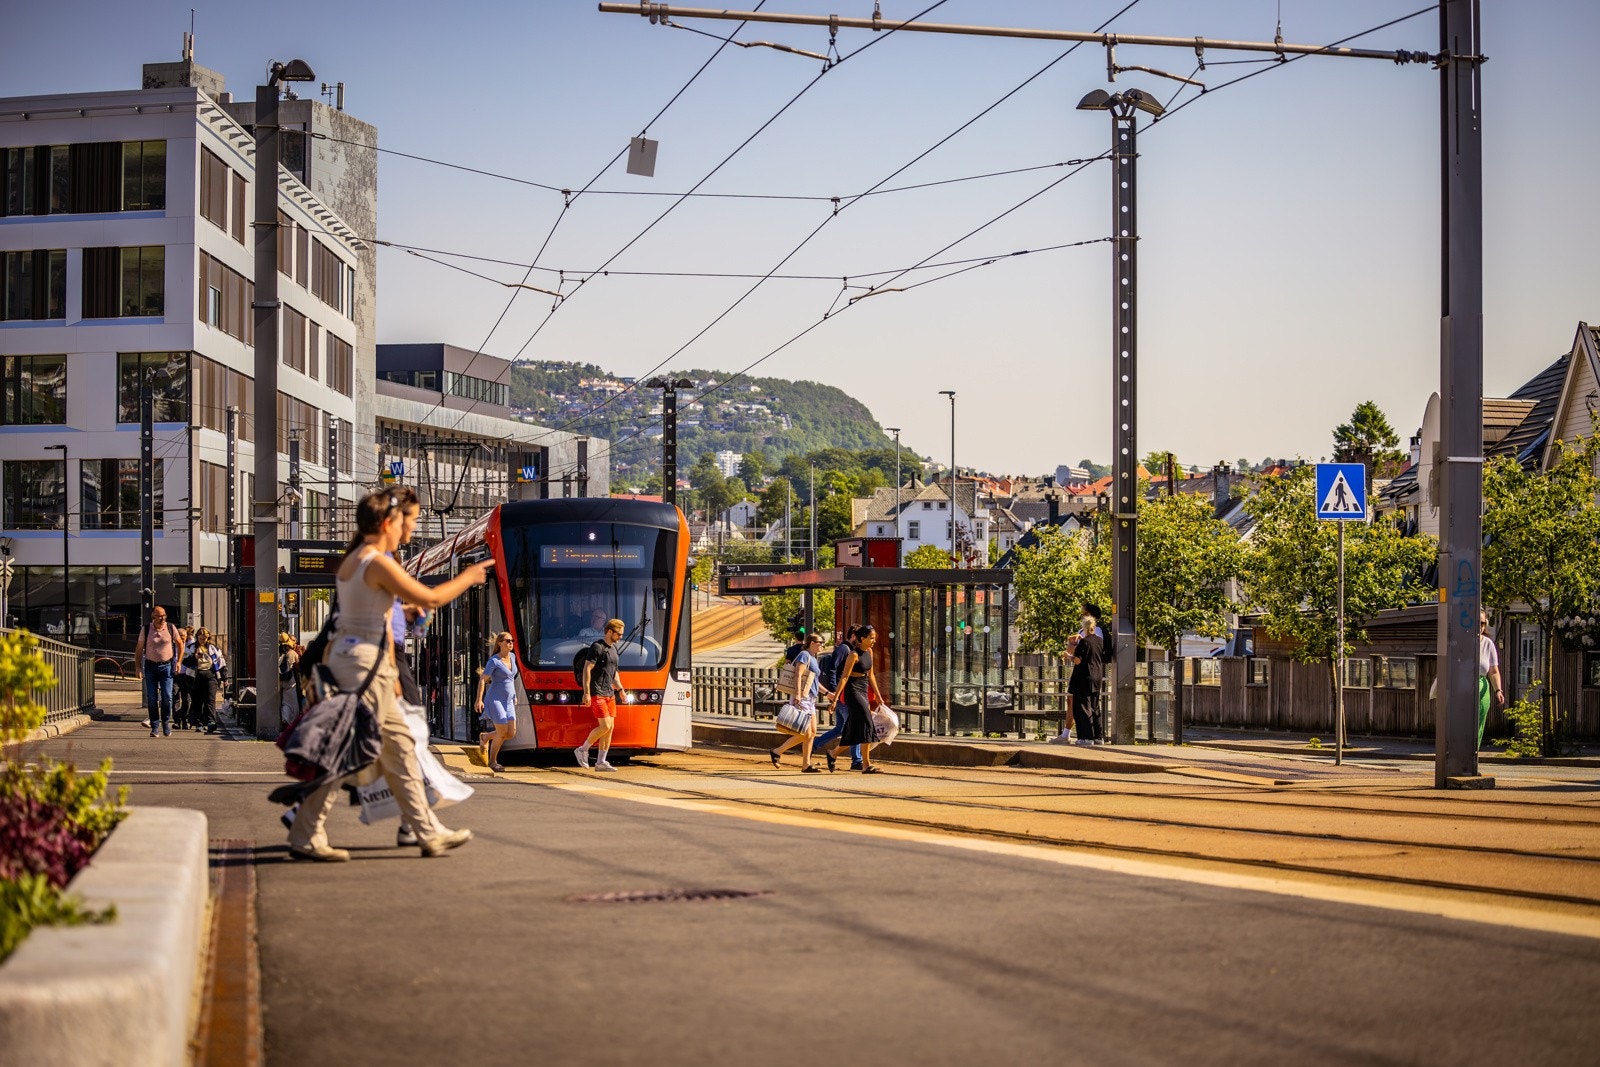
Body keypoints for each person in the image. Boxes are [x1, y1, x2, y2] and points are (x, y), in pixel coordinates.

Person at [286, 488, 493, 861]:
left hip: (359, 659)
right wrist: (469, 576)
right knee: (343, 753)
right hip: (367, 665)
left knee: (400, 749)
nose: (403, 529)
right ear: (385, 523)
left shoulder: (354, 559)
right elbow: (430, 598)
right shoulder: (377, 562)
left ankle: (428, 833)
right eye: (400, 522)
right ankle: (305, 833)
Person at [824, 624, 884, 774]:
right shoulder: (853, 655)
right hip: (852, 691)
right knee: (866, 723)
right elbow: (844, 677)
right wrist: (835, 699)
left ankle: (833, 753)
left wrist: (879, 697)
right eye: (871, 638)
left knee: (858, 728)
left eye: (874, 638)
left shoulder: (869, 652)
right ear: (862, 638)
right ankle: (866, 764)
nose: (873, 641)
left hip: (863, 689)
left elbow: (871, 676)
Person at [576, 619, 627, 771]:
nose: (620, 637)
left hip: (609, 693)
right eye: (619, 634)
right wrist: (586, 692)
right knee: (604, 726)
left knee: (610, 728)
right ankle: (582, 750)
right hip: (597, 692)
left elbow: (614, 673)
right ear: (609, 632)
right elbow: (587, 669)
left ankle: (600, 762)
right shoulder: (597, 647)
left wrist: (621, 690)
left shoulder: (614, 649)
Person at [770, 633, 824, 772]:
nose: (822, 645)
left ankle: (806, 764)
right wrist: (798, 694)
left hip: (810, 697)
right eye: (820, 642)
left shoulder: (813, 657)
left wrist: (828, 693)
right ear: (812, 643)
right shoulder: (804, 655)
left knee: (812, 732)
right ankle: (777, 751)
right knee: (805, 732)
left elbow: (814, 680)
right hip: (803, 697)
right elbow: (798, 674)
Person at [810, 632, 857, 768]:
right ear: (853, 636)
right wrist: (835, 692)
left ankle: (814, 745)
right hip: (841, 694)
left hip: (839, 694)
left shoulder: (847, 649)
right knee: (853, 727)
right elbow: (832, 670)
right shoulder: (844, 649)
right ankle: (857, 760)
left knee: (840, 728)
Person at [134, 606, 182, 737]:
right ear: (153, 617)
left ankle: (166, 723)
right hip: (150, 666)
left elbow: (180, 644)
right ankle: (155, 726)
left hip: (166, 666)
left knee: (167, 696)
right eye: (159, 616)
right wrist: (137, 667)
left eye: (164, 616)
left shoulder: (171, 628)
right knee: (152, 698)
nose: (162, 618)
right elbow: (138, 649)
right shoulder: (146, 629)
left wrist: (178, 662)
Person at [476, 632, 520, 773]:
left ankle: (486, 737)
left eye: (512, 640)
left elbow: (511, 680)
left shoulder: (513, 657)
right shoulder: (494, 661)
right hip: (495, 700)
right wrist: (479, 700)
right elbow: (483, 679)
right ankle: (493, 761)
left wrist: (513, 696)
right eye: (507, 641)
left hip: (508, 701)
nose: (510, 643)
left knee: (511, 733)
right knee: (502, 733)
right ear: (500, 643)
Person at [1068, 608, 1106, 745]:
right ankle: (1098, 736)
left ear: (1084, 627)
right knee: (1095, 707)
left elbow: (1078, 660)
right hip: (1097, 676)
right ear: (1094, 627)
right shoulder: (1099, 641)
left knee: (1083, 706)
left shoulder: (1084, 642)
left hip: (1084, 677)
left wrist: (1069, 657)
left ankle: (1086, 737)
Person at [188, 628, 226, 733]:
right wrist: (194, 657)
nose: (202, 640)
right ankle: (198, 722)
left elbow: (221, 663)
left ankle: (210, 721)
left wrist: (224, 678)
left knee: (210, 699)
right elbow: (184, 662)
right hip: (196, 676)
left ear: (208, 638)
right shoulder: (191, 648)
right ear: (197, 638)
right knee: (197, 700)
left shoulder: (214, 649)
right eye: (200, 638)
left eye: (204, 639)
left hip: (210, 675)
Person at [1479, 612, 1505, 748]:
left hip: (1482, 688)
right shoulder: (1460, 642)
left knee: (1478, 724)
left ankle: (1472, 755)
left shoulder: (1488, 644)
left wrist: (1498, 690)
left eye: (1482, 623)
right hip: (1463, 686)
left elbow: (1493, 671)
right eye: (1476, 623)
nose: (1479, 626)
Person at [172, 627, 194, 731]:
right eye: (180, 637)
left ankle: (184, 719)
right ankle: (176, 721)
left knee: (186, 699)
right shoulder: (171, 647)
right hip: (174, 676)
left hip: (187, 676)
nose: (181, 639)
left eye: (183, 637)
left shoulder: (190, 647)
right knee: (174, 697)